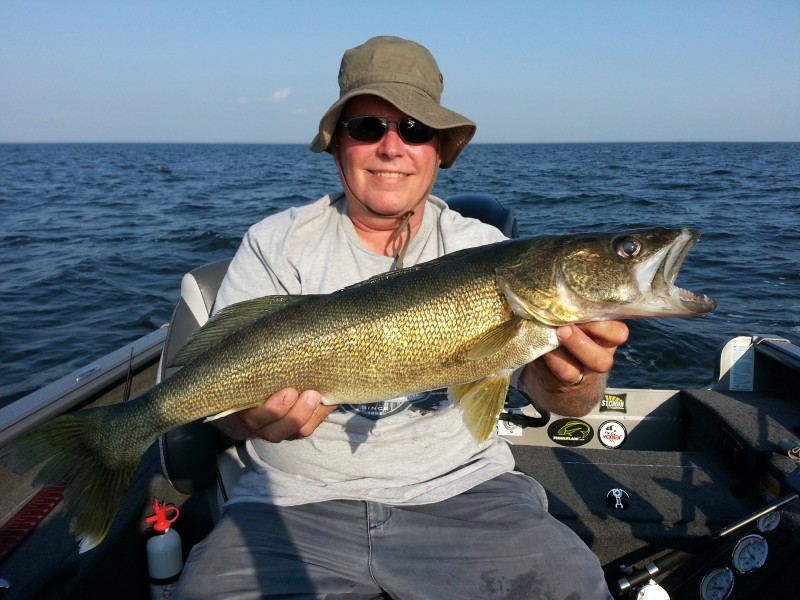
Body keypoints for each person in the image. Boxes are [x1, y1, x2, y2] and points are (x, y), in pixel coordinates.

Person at [175, 36, 628, 600]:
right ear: (338, 144)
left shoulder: (485, 249)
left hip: (466, 494)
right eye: (368, 127)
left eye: (415, 129)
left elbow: (562, 401)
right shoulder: (275, 245)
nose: (393, 146)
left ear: (439, 149)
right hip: (293, 501)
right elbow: (221, 408)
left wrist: (579, 377)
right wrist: (246, 420)